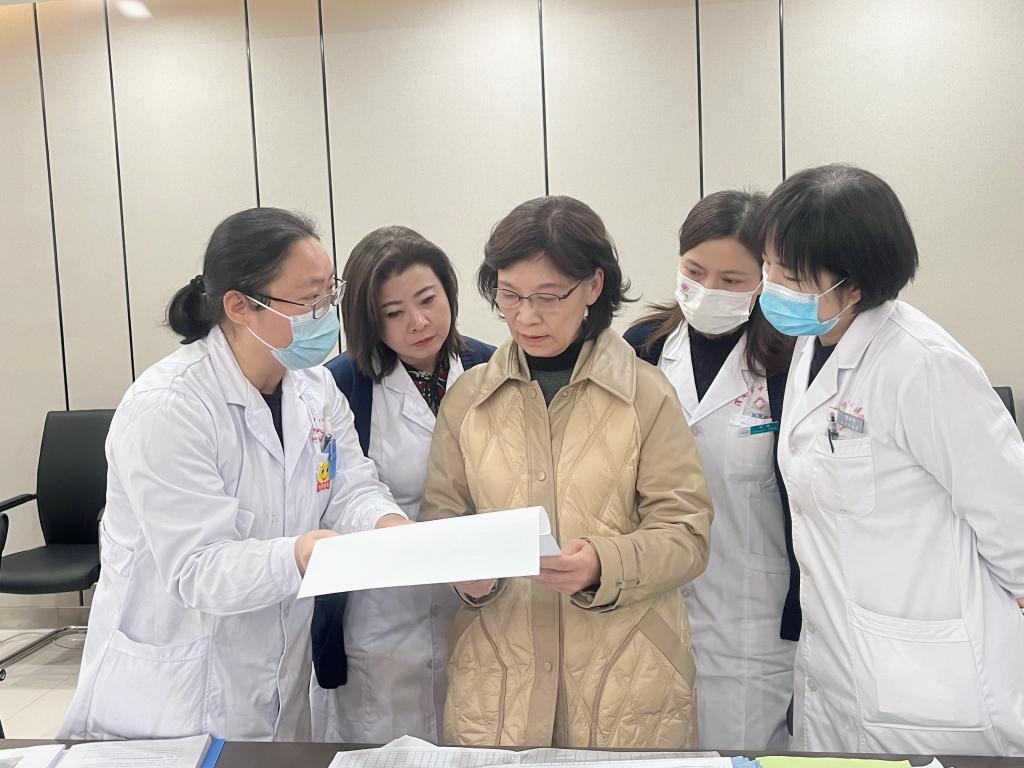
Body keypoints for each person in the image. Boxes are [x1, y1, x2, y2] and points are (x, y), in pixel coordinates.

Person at [59, 208, 409, 742]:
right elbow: (198, 567)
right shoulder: (169, 407)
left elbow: (349, 488)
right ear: (240, 306)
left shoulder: (314, 389)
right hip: (176, 697)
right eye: (309, 300)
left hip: (277, 682)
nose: (325, 314)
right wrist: (299, 555)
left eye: (329, 293)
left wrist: (388, 526)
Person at [419, 195, 713, 748]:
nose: (526, 316)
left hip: (627, 683)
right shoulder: (469, 401)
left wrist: (605, 564)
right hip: (498, 687)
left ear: (593, 287)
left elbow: (687, 535)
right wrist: (465, 573)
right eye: (510, 294)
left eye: (548, 296)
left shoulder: (645, 396)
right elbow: (442, 521)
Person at [759, 164, 1024, 755]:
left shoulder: (922, 365)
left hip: (930, 683)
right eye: (768, 264)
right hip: (836, 668)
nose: (770, 284)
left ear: (853, 286)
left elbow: (1014, 518)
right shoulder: (812, 346)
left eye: (791, 274)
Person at [623, 190, 796, 749]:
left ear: (765, 277)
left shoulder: (791, 359)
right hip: (653, 609)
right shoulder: (643, 348)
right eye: (695, 272)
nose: (708, 291)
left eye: (732, 279)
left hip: (753, 620)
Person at [309, 226, 494, 743]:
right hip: (382, 614)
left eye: (428, 300)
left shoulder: (492, 367)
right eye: (393, 313)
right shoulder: (341, 386)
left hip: (481, 599)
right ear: (369, 321)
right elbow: (340, 495)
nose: (418, 322)